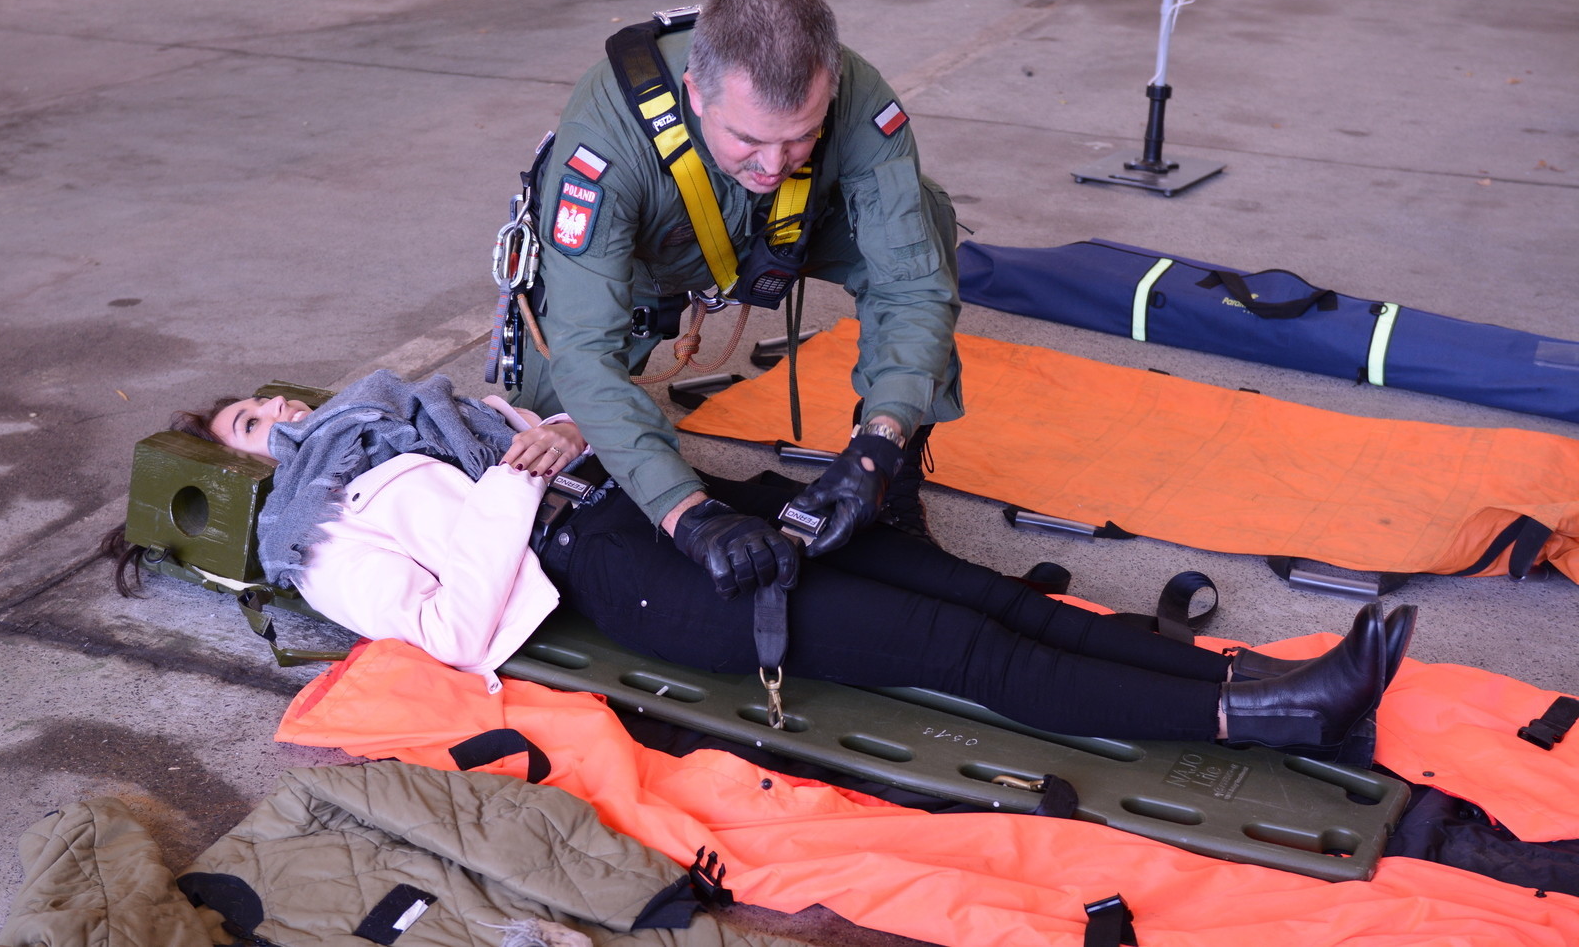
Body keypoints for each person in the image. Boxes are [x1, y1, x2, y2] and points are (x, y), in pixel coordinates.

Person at [112, 371, 1415, 756]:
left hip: (658, 506)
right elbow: (450, 631)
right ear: (246, 472)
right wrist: (516, 485)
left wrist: (556, 432)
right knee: (958, 649)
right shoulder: (316, 535)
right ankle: (1265, 716)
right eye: (247, 427)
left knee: (971, 588)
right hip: (626, 578)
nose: (276, 415)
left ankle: (1250, 674)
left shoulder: (414, 417)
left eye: (268, 398)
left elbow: (567, 438)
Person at [509, 0, 964, 597]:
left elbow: (910, 288)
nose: (774, 165)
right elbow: (584, 351)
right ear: (696, 94)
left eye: (801, 137)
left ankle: (893, 492)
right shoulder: (608, 140)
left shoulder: (858, 97)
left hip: (790, 230)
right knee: (544, 440)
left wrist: (882, 441)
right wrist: (687, 514)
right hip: (649, 255)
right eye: (749, 138)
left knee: (925, 220)